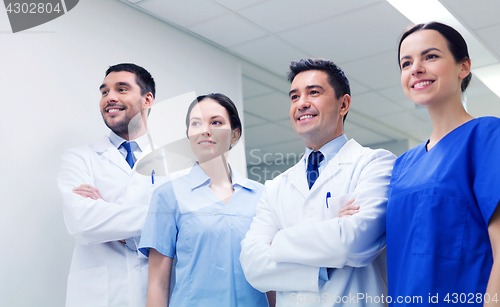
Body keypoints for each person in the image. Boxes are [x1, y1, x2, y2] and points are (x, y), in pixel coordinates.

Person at [240, 58, 396, 306]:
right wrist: (327, 249)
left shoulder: (375, 164)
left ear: (343, 104)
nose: (302, 103)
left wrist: (279, 240)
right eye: (294, 97)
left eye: (314, 92)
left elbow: (355, 242)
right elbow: (253, 266)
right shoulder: (276, 187)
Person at [386, 22, 500, 306]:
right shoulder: (403, 165)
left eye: (431, 56)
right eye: (406, 63)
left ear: (464, 67)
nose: (416, 68)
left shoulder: (487, 136)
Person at [138, 93, 273, 307]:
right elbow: (158, 283)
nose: (205, 130)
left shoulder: (262, 196)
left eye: (216, 122)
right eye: (196, 123)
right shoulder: (168, 195)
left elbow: (271, 278)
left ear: (235, 135)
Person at [57, 63, 162, 307]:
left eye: (122, 89)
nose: (110, 97)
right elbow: (83, 222)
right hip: (100, 296)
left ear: (147, 99)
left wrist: (109, 216)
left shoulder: (177, 164)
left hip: (159, 292)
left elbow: (187, 226)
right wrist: (160, 220)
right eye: (104, 92)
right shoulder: (79, 158)